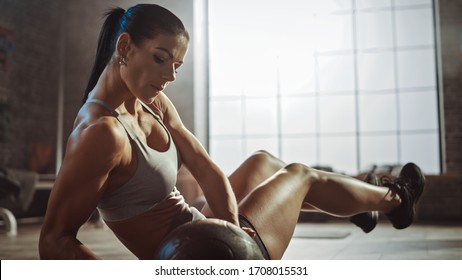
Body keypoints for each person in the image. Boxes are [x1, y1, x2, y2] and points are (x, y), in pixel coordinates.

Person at [39, 4, 425, 260]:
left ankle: (357, 201)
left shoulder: (150, 104)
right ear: (125, 47)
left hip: (208, 232)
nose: (170, 76)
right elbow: (54, 240)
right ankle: (395, 200)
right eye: (161, 59)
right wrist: (233, 239)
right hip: (207, 257)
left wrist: (229, 224)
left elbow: (207, 169)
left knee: (263, 162)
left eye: (177, 65)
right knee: (300, 176)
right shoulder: (100, 133)